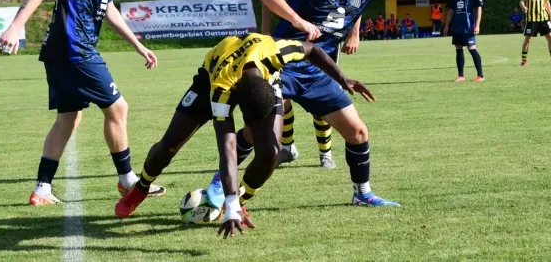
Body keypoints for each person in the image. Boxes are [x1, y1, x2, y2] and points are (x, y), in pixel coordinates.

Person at [203, 0, 507, 212]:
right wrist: (299, 21)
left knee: (358, 132)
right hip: (281, 64)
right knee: (261, 134)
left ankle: (362, 193)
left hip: (318, 70)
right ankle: (221, 183)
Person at [114, 33, 375, 239]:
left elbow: (313, 49)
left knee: (270, 152)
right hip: (211, 76)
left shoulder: (274, 52)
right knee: (169, 146)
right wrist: (226, 197)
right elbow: (227, 148)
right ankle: (140, 188)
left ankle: (241, 201)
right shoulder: (221, 91)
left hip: (258, 75)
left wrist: (343, 79)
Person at [0, 0, 165, 206]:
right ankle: (128, 181)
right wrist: (14, 28)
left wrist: (138, 45)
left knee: (69, 119)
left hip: (61, 54)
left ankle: (42, 189)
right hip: (76, 52)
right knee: (118, 108)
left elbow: (108, 10)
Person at [264, 0, 362, 169]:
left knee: (321, 96)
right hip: (289, 38)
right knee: (280, 95)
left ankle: (325, 152)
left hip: (324, 41)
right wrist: (264, 33)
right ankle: (287, 147)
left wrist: (354, 33)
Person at [443, 0, 485, 82]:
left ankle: (480, 75)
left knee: (471, 48)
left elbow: (479, 8)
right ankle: (461, 76)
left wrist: (477, 25)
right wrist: (447, 25)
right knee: (458, 49)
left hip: (469, 25)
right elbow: (452, 10)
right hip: (457, 25)